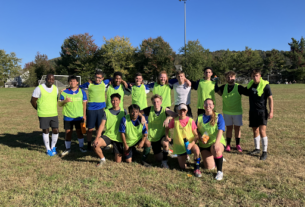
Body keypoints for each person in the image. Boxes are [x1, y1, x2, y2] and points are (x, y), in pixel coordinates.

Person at [165, 104, 202, 177]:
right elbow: (167, 128)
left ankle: (197, 168)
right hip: (179, 146)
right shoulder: (174, 120)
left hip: (190, 145)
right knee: (182, 167)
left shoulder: (191, 121)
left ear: (187, 111)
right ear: (177, 111)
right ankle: (184, 156)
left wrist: (192, 144)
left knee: (197, 150)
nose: (182, 112)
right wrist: (167, 136)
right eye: (180, 110)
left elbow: (196, 135)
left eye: (184, 110)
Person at [215, 71, 248, 152]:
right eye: (228, 77)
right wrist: (215, 81)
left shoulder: (239, 87)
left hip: (237, 112)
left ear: (235, 77)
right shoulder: (223, 87)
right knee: (229, 129)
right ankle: (228, 145)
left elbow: (247, 92)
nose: (230, 78)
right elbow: (216, 90)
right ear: (226, 78)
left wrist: (250, 84)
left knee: (237, 129)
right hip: (227, 112)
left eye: (231, 77)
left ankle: (237, 145)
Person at [141, 94, 177, 168]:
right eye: (154, 102)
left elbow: (175, 114)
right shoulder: (149, 109)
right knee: (158, 159)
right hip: (153, 137)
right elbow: (138, 112)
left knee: (165, 143)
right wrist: (142, 116)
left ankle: (164, 162)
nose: (156, 104)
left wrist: (168, 118)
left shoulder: (165, 109)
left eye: (157, 102)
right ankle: (166, 151)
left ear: (161, 102)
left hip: (162, 135)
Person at [93, 93, 127, 167]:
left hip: (119, 137)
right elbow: (102, 125)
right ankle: (102, 159)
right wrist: (97, 137)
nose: (115, 102)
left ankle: (117, 150)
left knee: (118, 161)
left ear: (120, 101)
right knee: (95, 145)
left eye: (116, 100)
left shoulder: (124, 112)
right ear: (111, 101)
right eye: (113, 100)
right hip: (108, 135)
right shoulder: (106, 112)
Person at [79, 71, 110, 151]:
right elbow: (77, 87)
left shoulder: (104, 83)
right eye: (96, 77)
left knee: (99, 128)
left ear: (102, 78)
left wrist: (125, 82)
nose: (97, 79)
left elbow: (114, 78)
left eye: (99, 77)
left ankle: (98, 143)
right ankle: (89, 145)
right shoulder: (89, 84)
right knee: (90, 129)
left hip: (100, 109)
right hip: (91, 109)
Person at [197, 98, 226, 180]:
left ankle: (219, 171)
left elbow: (221, 130)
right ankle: (216, 158)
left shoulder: (218, 116)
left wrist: (217, 143)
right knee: (209, 167)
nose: (208, 106)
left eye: (210, 104)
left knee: (216, 149)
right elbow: (195, 130)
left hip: (215, 142)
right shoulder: (199, 117)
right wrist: (200, 137)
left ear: (213, 106)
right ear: (203, 106)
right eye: (206, 104)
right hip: (204, 144)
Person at [247, 69, 273, 160]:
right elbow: (245, 92)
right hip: (252, 111)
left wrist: (271, 111)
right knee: (255, 130)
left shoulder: (265, 85)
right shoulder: (250, 85)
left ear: (260, 76)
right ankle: (257, 149)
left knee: (262, 131)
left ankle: (264, 152)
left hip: (262, 112)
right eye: (253, 76)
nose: (255, 77)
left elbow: (270, 98)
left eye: (257, 75)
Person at [31, 73, 59, 156]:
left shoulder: (55, 88)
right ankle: (48, 149)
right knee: (46, 131)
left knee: (56, 130)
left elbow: (55, 99)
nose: (51, 81)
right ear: (46, 79)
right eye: (49, 79)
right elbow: (33, 101)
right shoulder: (39, 88)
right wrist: (38, 108)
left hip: (54, 113)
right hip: (43, 114)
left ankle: (53, 147)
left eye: (52, 79)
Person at [59, 75, 88, 156]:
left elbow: (84, 104)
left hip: (79, 117)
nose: (72, 83)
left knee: (80, 132)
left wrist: (84, 115)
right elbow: (59, 104)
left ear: (77, 82)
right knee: (68, 132)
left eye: (74, 81)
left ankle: (81, 147)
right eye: (71, 81)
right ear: (69, 83)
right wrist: (65, 101)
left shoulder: (82, 92)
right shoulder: (64, 92)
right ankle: (67, 148)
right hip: (68, 116)